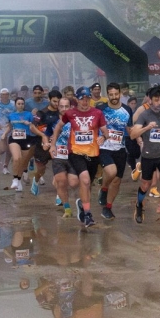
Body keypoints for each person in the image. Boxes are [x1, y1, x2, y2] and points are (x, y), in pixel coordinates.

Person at [58, 86, 109, 228]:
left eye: (87, 99)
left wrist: (104, 137)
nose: (85, 102)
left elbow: (106, 131)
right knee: (85, 180)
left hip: (93, 154)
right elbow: (58, 127)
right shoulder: (70, 113)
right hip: (76, 153)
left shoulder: (98, 113)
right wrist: (52, 144)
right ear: (77, 100)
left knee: (87, 184)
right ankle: (88, 215)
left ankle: (82, 203)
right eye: (82, 99)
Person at [130, 86, 160, 227]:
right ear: (150, 100)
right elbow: (133, 134)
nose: (159, 103)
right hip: (148, 156)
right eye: (156, 100)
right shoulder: (144, 115)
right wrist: (146, 128)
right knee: (146, 185)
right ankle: (139, 206)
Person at [95, 83, 133, 220]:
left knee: (117, 181)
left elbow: (130, 129)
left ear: (120, 94)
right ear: (107, 95)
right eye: (111, 95)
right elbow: (93, 125)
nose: (114, 97)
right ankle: (104, 189)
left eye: (116, 94)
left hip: (120, 148)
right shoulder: (101, 109)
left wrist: (140, 138)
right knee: (111, 172)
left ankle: (108, 208)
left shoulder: (127, 110)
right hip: (104, 147)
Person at [30, 90, 62, 196]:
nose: (57, 104)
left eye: (59, 101)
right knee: (41, 169)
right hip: (42, 145)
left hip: (58, 144)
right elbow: (32, 127)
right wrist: (43, 136)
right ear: (49, 100)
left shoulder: (62, 113)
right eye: (54, 101)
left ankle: (60, 194)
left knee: (59, 169)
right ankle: (35, 180)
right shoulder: (42, 113)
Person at [7, 97, 42, 191]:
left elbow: (34, 125)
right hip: (14, 138)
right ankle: (15, 179)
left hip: (26, 139)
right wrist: (4, 134)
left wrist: (30, 123)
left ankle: (19, 180)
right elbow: (9, 126)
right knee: (16, 158)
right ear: (15, 105)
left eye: (22, 104)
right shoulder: (11, 115)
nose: (20, 105)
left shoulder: (29, 114)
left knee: (23, 162)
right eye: (19, 104)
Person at [49, 98, 75, 217]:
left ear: (71, 107)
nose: (64, 109)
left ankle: (79, 202)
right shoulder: (52, 120)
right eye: (61, 106)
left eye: (66, 106)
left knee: (73, 183)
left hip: (73, 155)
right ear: (58, 107)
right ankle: (67, 208)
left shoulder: (76, 119)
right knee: (61, 182)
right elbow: (45, 134)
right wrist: (49, 144)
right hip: (58, 155)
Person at [0, 88, 14, 176]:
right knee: (2, 149)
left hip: (10, 128)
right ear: (0, 95)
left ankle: (5, 166)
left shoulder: (13, 104)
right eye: (3, 94)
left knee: (9, 149)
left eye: (6, 94)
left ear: (8, 95)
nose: (5, 96)